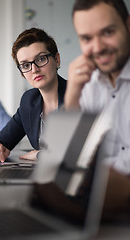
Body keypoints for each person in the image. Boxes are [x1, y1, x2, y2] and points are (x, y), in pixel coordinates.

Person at [64, 0, 130, 175]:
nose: (98, 48)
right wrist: (72, 97)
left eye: (108, 32)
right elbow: (68, 158)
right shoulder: (87, 84)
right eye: (87, 38)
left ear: (128, 25)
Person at [0, 28, 67, 162]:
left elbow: (80, 152)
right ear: (22, 73)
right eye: (25, 65)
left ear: (57, 60)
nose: (34, 69)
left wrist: (38, 155)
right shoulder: (29, 101)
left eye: (41, 59)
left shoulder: (78, 95)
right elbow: (0, 141)